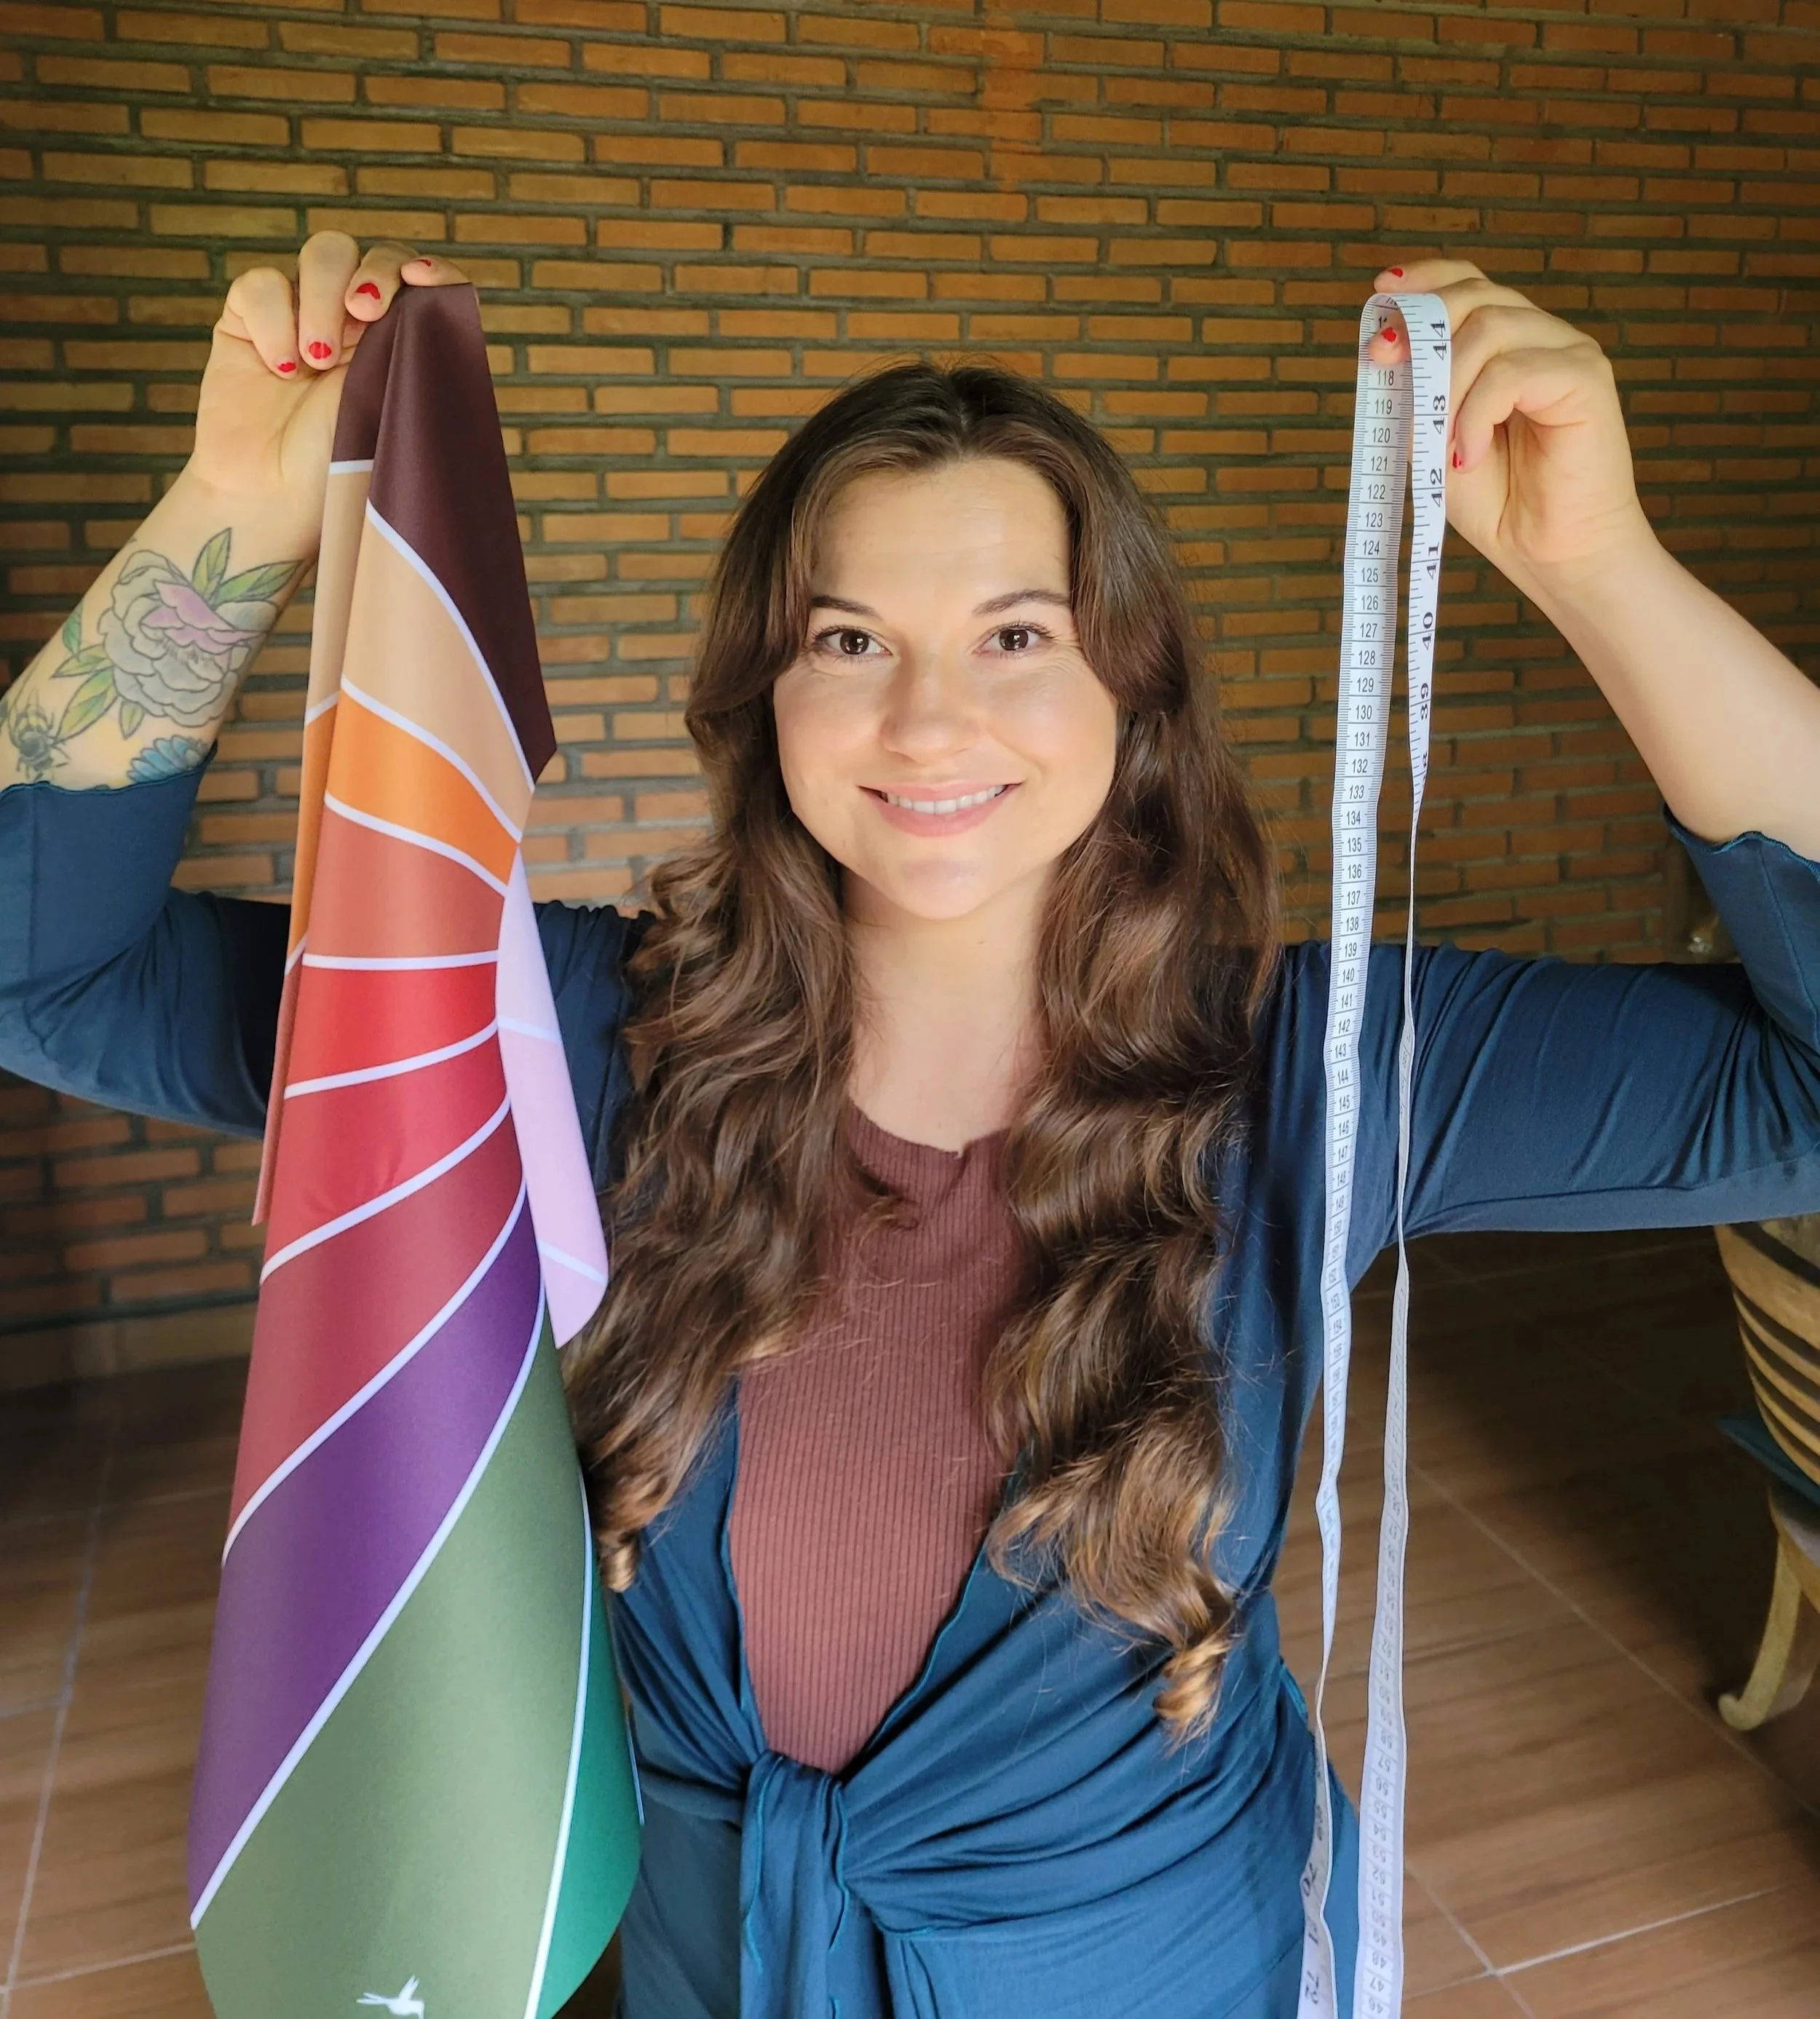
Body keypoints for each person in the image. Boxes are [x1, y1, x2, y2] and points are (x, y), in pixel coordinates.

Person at [2, 233, 1818, 2019]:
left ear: (1131, 690)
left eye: (1014, 633)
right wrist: (226, 511)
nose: (928, 715)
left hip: (1156, 1978)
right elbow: (43, 970)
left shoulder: (1310, 1068)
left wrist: (1601, 566)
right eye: (848, 636)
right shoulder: (549, 1032)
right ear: (764, 694)